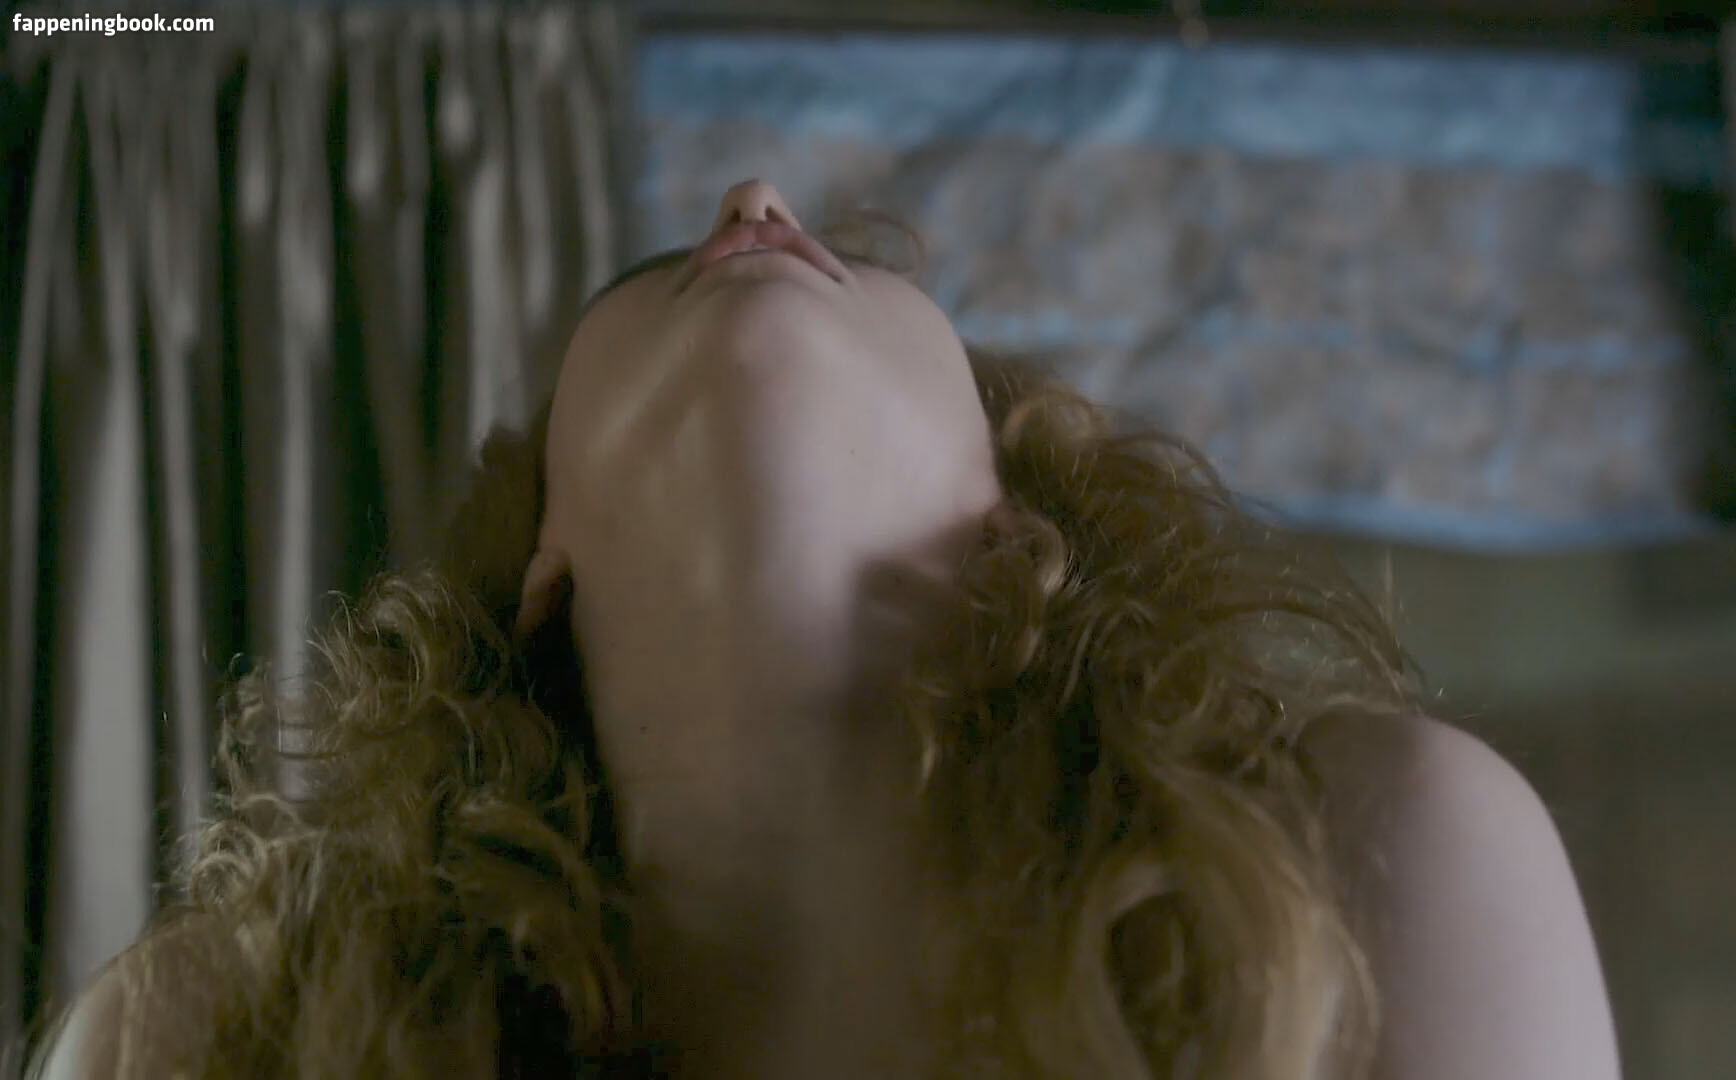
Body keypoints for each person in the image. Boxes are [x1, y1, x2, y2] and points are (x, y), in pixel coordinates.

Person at [35, 179, 1619, 1080]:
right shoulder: (199, 1032)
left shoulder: (1375, 862)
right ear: (541, 558)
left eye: (844, 261)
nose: (756, 201)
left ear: (1015, 519)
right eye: (659, 271)